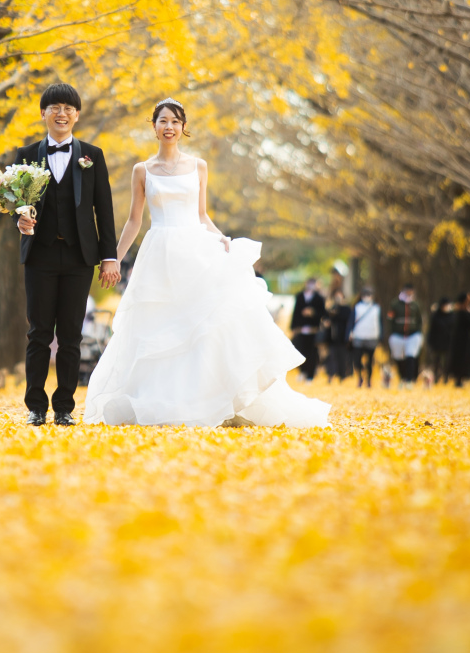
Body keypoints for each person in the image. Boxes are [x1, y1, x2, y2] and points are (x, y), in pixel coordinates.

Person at [84, 98, 330, 427]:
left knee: (204, 327)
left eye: (175, 121)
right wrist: (112, 259)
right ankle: (165, 404)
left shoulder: (198, 165)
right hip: (158, 255)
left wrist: (222, 239)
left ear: (184, 128)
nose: (168, 126)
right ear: (153, 126)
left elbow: (201, 215)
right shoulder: (142, 170)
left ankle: (216, 403)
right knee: (162, 327)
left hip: (194, 250)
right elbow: (133, 221)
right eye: (162, 121)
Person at [16, 83, 119, 426]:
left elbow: (104, 210)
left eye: (68, 108)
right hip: (39, 257)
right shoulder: (26, 155)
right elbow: (16, 204)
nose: (62, 114)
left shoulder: (92, 155)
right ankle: (35, 407)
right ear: (43, 113)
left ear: (77, 115)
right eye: (54, 107)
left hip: (79, 257)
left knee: (72, 335)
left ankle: (64, 408)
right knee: (39, 334)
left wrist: (109, 256)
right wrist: (20, 219)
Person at [387, 285, 423, 387]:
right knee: (399, 358)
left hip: (412, 335)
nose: (409, 294)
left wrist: (418, 332)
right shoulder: (395, 304)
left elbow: (419, 320)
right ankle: (402, 377)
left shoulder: (416, 305)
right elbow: (390, 318)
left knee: (410, 356)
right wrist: (393, 331)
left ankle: (409, 380)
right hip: (397, 335)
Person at [290, 278, 326, 382]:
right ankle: (302, 372)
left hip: (313, 330)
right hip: (301, 329)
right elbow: (295, 312)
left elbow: (323, 313)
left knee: (312, 354)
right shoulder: (300, 296)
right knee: (300, 351)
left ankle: (310, 374)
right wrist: (293, 327)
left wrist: (313, 313)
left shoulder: (319, 298)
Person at [347, 287, 381, 387]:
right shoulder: (356, 307)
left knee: (370, 360)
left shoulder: (376, 308)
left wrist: (380, 336)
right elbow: (351, 322)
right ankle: (360, 377)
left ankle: (369, 380)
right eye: (365, 295)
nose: (367, 297)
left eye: (369, 295)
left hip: (372, 336)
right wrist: (349, 334)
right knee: (357, 360)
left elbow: (380, 323)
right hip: (358, 336)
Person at [448, 292, 470, 387]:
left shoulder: (455, 312)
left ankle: (457, 378)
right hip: (462, 340)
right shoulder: (463, 313)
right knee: (461, 360)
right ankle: (458, 379)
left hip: (457, 340)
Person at [325, 291, 352, 381]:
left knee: (342, 357)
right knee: (332, 356)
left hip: (343, 337)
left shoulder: (346, 309)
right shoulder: (332, 308)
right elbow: (327, 319)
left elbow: (349, 321)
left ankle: (342, 375)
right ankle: (331, 374)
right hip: (333, 338)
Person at [427, 297, 453, 383]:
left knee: (447, 362)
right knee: (436, 361)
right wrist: (430, 342)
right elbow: (431, 330)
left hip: (448, 342)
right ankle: (436, 377)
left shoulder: (452, 316)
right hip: (437, 342)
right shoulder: (435, 316)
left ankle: (446, 377)